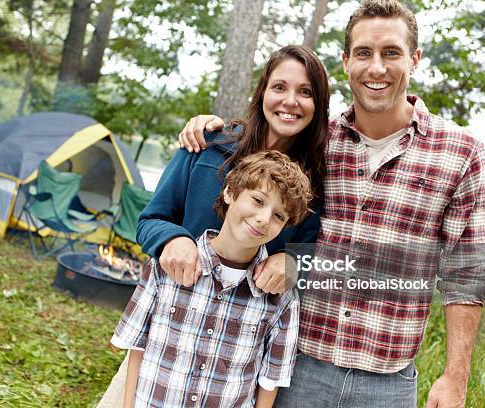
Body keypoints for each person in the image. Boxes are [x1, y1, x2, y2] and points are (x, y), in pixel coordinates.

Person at [178, 1, 485, 407]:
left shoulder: (461, 152)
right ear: (346, 61)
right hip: (297, 365)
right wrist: (209, 126)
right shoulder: (316, 141)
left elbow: (466, 271)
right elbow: (258, 156)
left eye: (390, 52)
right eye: (363, 53)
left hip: (387, 383)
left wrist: (455, 376)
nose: (376, 67)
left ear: (414, 59)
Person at [95, 44, 330, 408]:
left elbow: (310, 250)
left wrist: (292, 263)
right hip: (165, 350)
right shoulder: (207, 144)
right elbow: (150, 220)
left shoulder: (309, 183)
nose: (290, 101)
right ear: (263, 91)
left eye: (306, 92)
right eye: (279, 87)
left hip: (229, 368)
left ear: (318, 105)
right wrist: (172, 239)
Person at [110, 151, 312, 407]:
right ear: (230, 192)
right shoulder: (167, 265)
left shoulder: (281, 297)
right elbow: (137, 347)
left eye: (278, 216)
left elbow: (270, 379)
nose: (263, 218)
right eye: (258, 200)